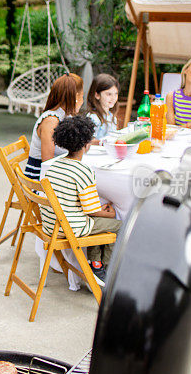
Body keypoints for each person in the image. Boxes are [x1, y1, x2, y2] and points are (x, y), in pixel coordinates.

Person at [41, 116, 121, 290]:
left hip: (50, 225)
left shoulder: (54, 165)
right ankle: (104, 270)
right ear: (87, 144)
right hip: (70, 227)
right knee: (119, 226)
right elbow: (92, 211)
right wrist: (110, 213)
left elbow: (86, 207)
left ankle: (96, 264)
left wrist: (99, 211)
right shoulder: (83, 170)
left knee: (99, 223)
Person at [24, 73, 84, 180]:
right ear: (75, 97)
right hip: (40, 180)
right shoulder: (51, 121)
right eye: (82, 96)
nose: (82, 101)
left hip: (56, 174)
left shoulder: (65, 116)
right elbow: (47, 163)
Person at [85, 73, 120, 142]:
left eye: (116, 94)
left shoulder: (111, 116)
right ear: (97, 95)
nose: (113, 98)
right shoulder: (93, 118)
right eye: (109, 94)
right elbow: (89, 141)